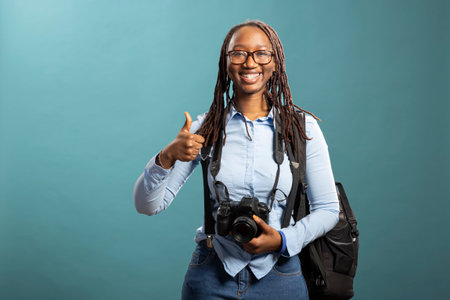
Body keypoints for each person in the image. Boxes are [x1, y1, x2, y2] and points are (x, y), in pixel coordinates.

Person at [133, 20, 339, 300]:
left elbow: (328, 209)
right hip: (210, 274)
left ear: (275, 62)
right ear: (226, 63)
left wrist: (281, 240)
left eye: (261, 53)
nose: (250, 62)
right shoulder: (204, 129)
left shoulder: (302, 129)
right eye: (239, 53)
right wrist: (167, 155)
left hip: (280, 276)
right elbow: (147, 205)